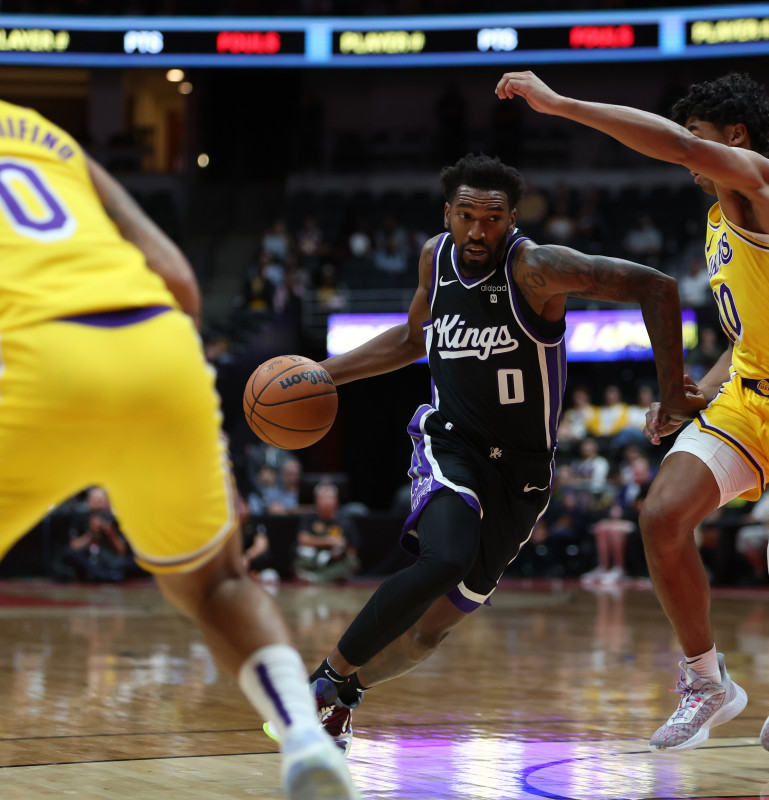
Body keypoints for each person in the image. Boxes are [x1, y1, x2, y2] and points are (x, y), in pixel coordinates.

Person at [0, 4, 358, 797]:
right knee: (217, 585)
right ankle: (305, 740)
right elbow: (176, 273)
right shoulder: (28, 127)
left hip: (31, 361)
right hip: (160, 349)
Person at [496, 71, 769, 754]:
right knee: (661, 514)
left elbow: (671, 144)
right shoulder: (718, 221)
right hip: (748, 399)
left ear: (735, 139)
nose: (685, 154)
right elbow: (749, 337)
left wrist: (558, 104)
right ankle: (707, 682)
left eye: (698, 141)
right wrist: (691, 390)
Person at [280, 153, 698, 755]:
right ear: (448, 214)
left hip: (524, 474)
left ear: (512, 218)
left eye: (493, 218)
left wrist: (670, 395)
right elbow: (409, 338)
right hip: (450, 441)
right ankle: (318, 685)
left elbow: (656, 288)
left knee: (428, 635)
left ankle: (345, 692)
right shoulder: (435, 257)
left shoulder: (537, 269)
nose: (478, 231)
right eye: (467, 216)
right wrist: (323, 375)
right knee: (444, 557)